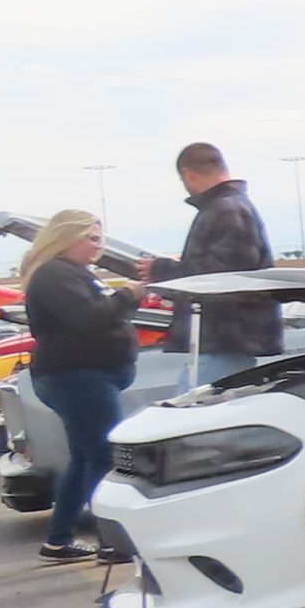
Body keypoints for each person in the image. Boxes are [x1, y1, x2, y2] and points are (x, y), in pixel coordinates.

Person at [19, 210, 136, 562]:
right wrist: (127, 296)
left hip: (84, 375)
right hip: (77, 376)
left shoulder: (72, 273)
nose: (99, 246)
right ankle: (111, 540)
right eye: (93, 238)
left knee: (86, 456)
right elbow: (88, 319)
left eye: (101, 239)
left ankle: (59, 540)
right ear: (67, 237)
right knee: (103, 456)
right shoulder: (55, 274)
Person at [134, 142, 279, 384]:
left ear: (187, 173)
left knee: (193, 405)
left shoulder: (226, 210)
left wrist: (161, 269)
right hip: (228, 340)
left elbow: (219, 277)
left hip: (223, 340)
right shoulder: (233, 207)